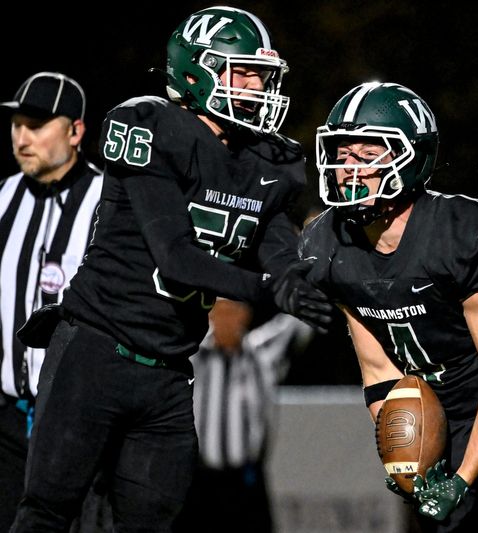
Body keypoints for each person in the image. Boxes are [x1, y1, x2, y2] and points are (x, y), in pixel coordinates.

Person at [10, 6, 332, 532]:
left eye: (260, 73)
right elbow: (176, 258)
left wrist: (295, 280)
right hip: (94, 351)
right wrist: (268, 287)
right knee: (49, 511)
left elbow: (274, 240)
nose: (256, 85)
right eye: (241, 71)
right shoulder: (149, 126)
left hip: (168, 371)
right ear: (194, 73)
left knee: (154, 523)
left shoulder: (266, 160)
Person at [300, 82, 478, 532]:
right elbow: (378, 368)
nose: (349, 168)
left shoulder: (460, 233)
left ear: (412, 157)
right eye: (342, 153)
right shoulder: (324, 245)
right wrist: (400, 447)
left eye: (369, 153)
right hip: (435, 412)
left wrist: (461, 479)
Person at [0, 72, 104, 532]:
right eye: (18, 124)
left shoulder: (110, 202)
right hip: (7, 422)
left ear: (76, 131)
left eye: (38, 125)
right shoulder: (3, 198)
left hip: (81, 422)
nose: (23, 137)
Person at [174, 299, 312, 533]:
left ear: (244, 315)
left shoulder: (263, 354)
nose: (226, 319)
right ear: (210, 316)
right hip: (200, 481)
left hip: (245, 480)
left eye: (232, 312)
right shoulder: (193, 356)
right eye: (220, 312)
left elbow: (302, 320)